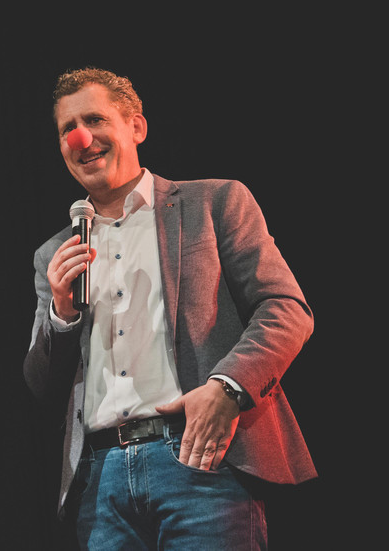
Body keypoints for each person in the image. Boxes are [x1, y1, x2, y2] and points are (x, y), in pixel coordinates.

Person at [23, 67, 316, 549]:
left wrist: (227, 388)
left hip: (199, 459)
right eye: (67, 128)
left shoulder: (214, 203)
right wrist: (61, 311)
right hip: (101, 482)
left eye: (95, 119)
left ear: (136, 126)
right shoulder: (53, 253)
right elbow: (42, 385)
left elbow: (286, 308)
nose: (81, 138)